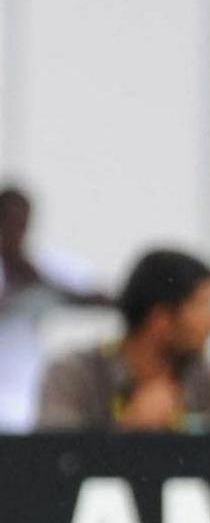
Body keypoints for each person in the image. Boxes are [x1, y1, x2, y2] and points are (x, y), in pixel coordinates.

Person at [36, 249, 210, 432]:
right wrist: (128, 430)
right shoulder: (76, 376)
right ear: (160, 320)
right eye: (203, 306)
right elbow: (51, 455)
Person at [0, 185, 109, 432]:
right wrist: (14, 290)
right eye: (8, 222)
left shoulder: (41, 265)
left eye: (21, 223)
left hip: (26, 395)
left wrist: (42, 284)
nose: (15, 231)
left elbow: (104, 299)